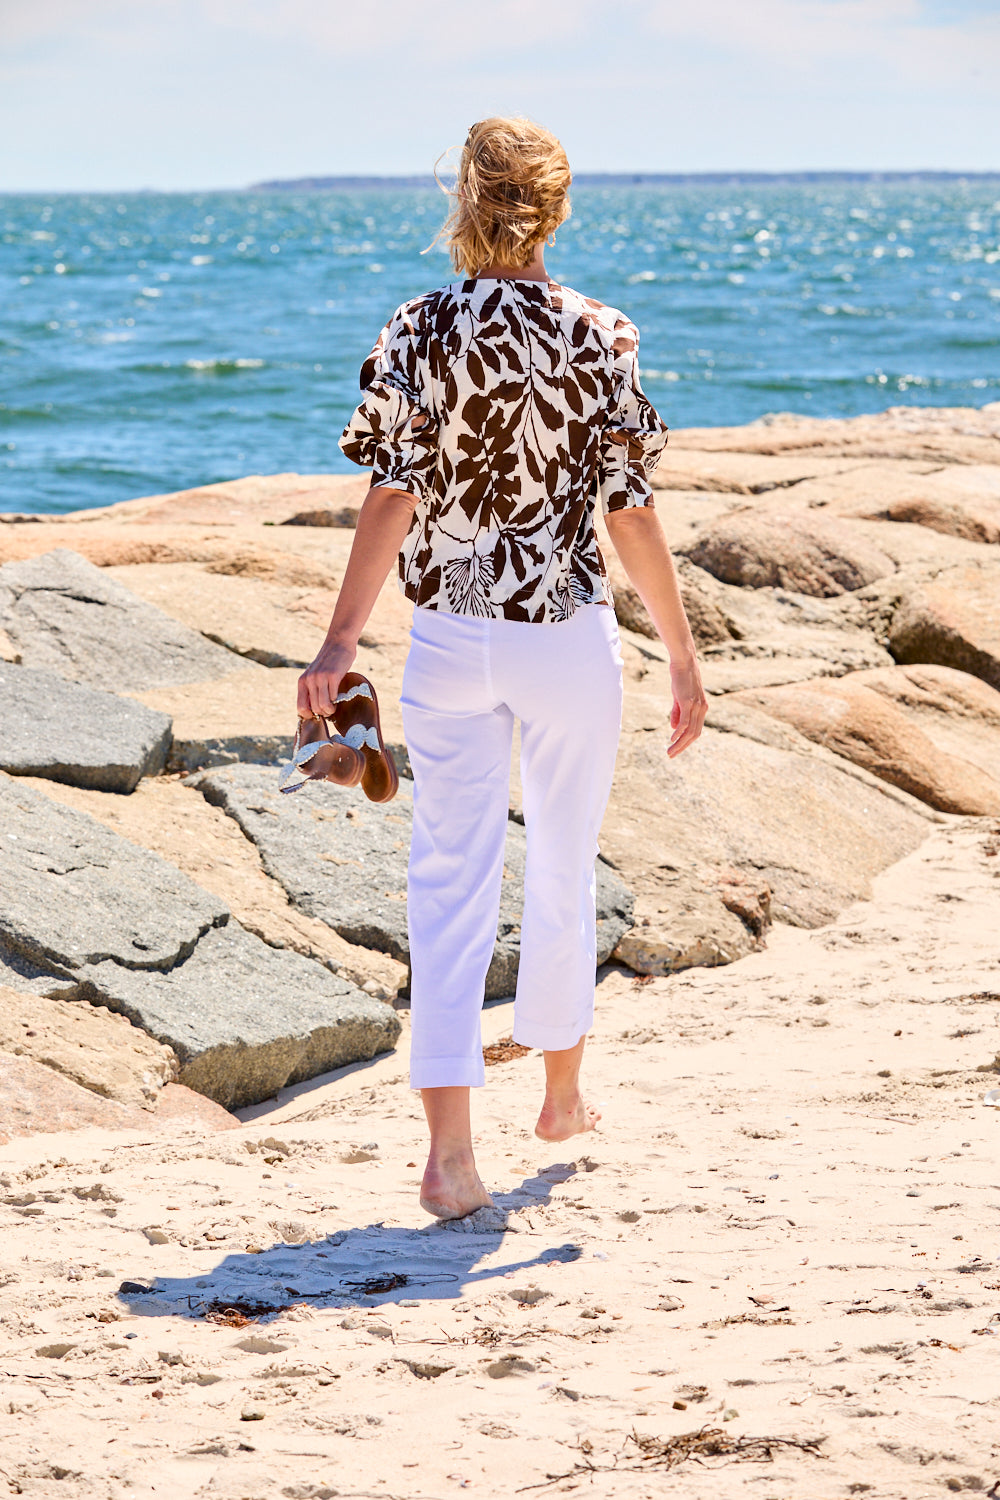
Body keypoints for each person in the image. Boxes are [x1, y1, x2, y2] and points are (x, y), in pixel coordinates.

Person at [297, 116, 707, 1221]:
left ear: (461, 204)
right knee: (563, 862)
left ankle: (449, 1158)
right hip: (561, 633)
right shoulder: (601, 332)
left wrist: (339, 643)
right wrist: (680, 651)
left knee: (447, 885)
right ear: (554, 208)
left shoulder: (418, 329)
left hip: (446, 639)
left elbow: (392, 491)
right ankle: (562, 1098)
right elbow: (628, 510)